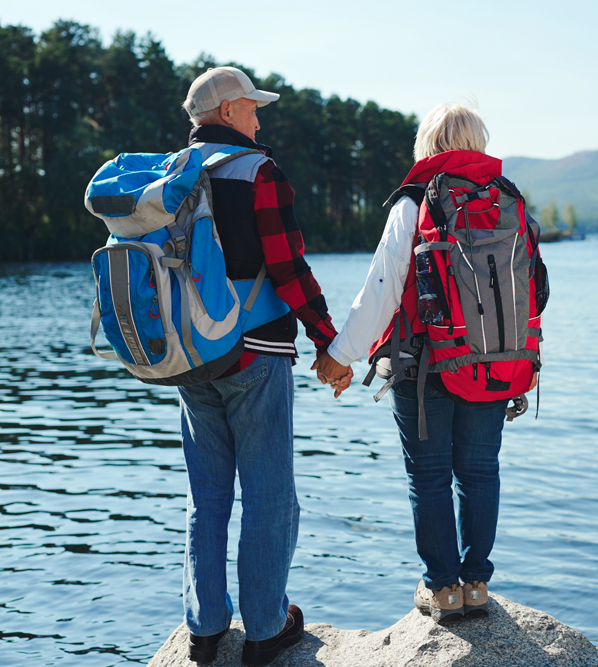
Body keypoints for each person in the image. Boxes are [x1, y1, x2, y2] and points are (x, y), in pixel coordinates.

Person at [316, 103, 540, 625]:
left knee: (431, 475)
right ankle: (478, 584)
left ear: (428, 146)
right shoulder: (509, 202)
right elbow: (535, 291)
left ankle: (442, 589)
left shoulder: (416, 202)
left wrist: (338, 356)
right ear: (476, 142)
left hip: (423, 367)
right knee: (481, 472)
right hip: (495, 362)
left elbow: (380, 289)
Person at [176, 66, 345, 666]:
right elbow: (287, 265)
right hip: (255, 353)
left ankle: (204, 627)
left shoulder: (173, 173)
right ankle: (267, 627)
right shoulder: (258, 171)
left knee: (208, 494)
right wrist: (329, 340)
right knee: (270, 494)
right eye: (250, 106)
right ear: (225, 112)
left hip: (190, 355)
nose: (258, 116)